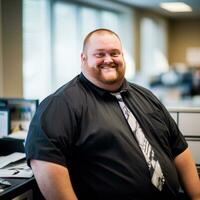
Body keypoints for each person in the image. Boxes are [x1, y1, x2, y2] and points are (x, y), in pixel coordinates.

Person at [25, 28, 200, 200]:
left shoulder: (146, 96)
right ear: (83, 58)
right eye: (100, 54)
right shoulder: (61, 105)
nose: (108, 60)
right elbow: (47, 167)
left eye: (115, 53)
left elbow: (179, 150)